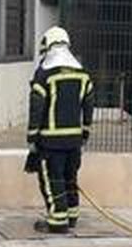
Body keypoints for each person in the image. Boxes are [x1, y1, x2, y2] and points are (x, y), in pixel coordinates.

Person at [25, 26, 93, 234]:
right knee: (70, 178)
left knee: (52, 180)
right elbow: (88, 105)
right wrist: (85, 132)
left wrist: (32, 136)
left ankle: (57, 221)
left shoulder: (44, 75)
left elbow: (37, 107)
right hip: (74, 141)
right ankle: (72, 216)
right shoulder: (83, 75)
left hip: (50, 141)